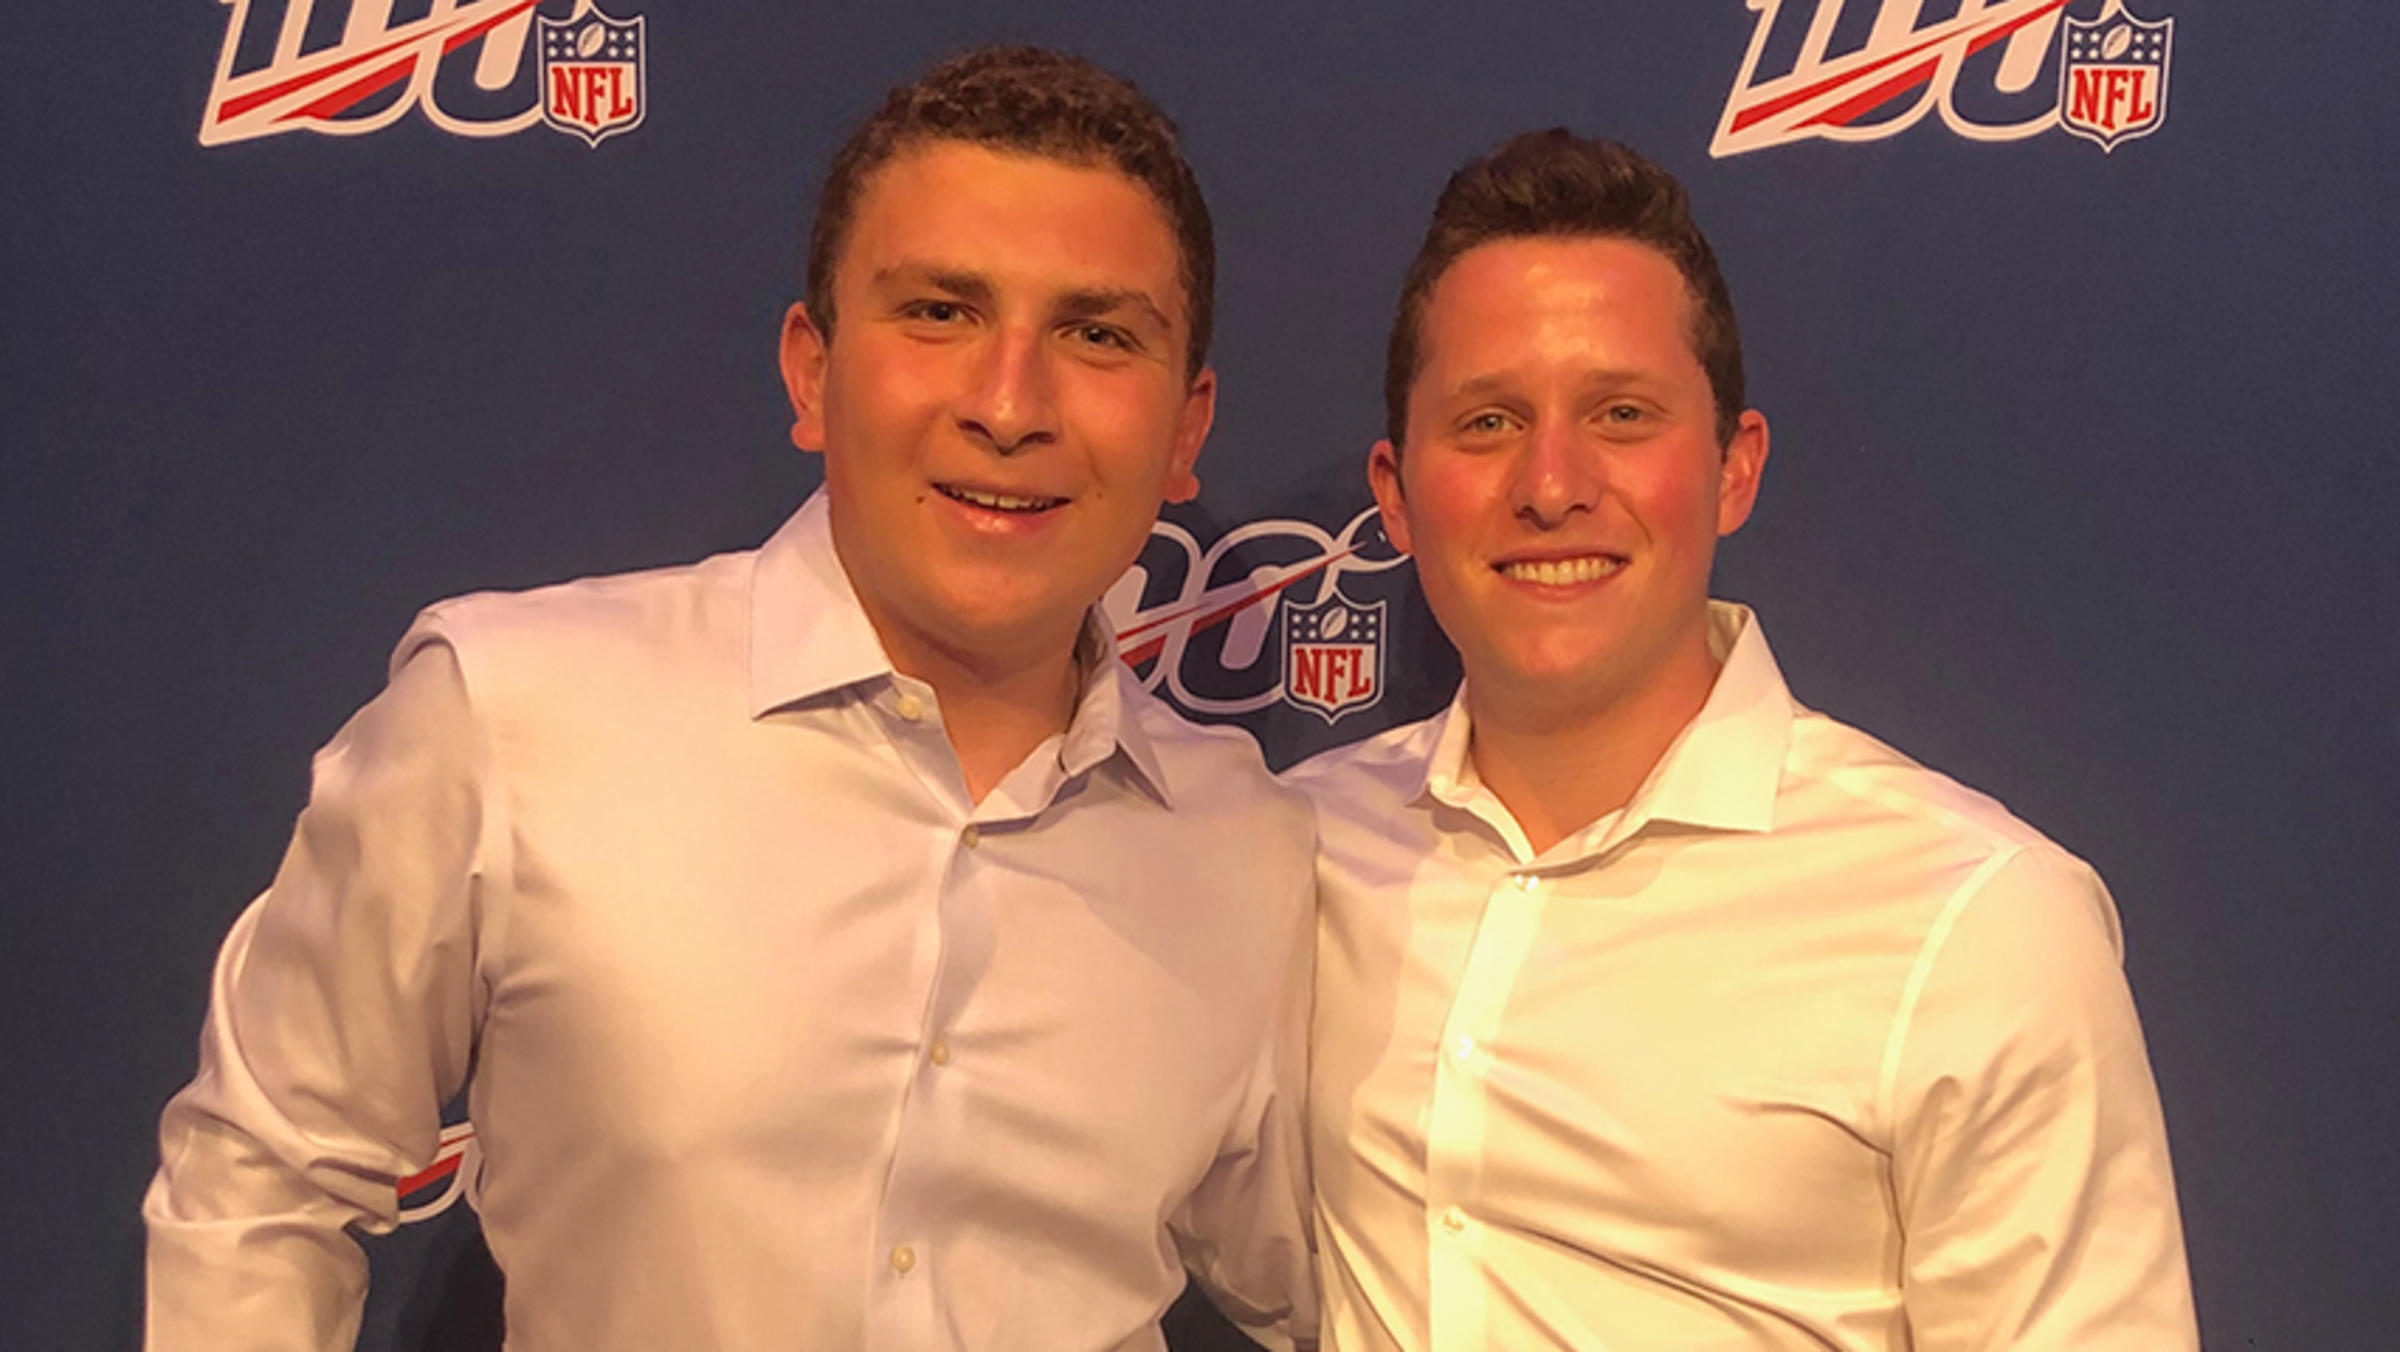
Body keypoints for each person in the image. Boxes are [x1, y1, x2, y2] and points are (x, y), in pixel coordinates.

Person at [145, 46, 1315, 1352]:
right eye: (939, 312)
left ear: (1186, 430)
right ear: (812, 373)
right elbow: (262, 1173)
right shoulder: (515, 717)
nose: (1007, 403)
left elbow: (1359, 1278)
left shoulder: (1251, 848)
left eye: (1097, 334)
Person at [1291, 130, 2196, 1349]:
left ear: (1732, 469)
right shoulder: (1285, 851)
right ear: (1396, 494)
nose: (1552, 483)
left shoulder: (1979, 917)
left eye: (1621, 413)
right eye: (1490, 420)